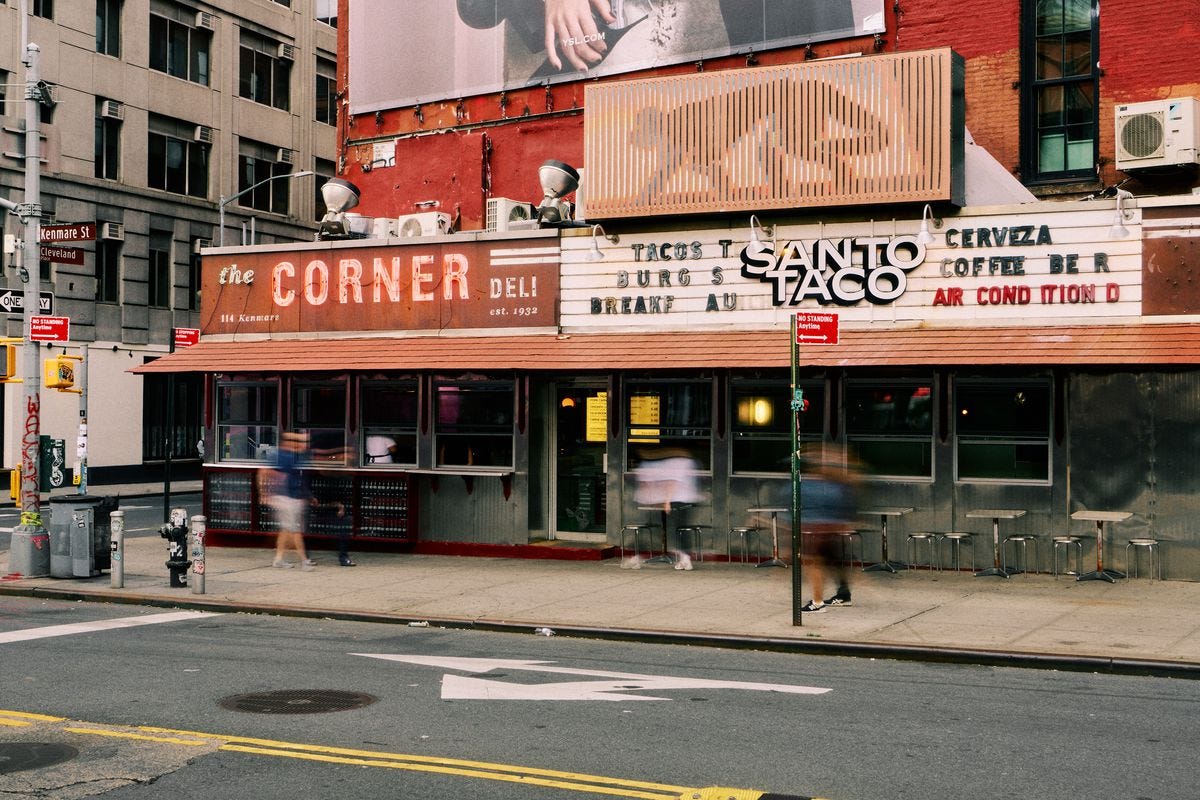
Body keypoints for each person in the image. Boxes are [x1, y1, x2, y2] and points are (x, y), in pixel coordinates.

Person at [797, 444, 859, 613]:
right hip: (831, 528)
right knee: (833, 561)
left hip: (821, 529)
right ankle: (843, 594)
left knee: (815, 562)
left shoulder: (827, 486)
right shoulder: (840, 485)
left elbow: (816, 508)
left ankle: (817, 602)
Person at [631, 446, 704, 570]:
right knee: (679, 528)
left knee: (671, 528)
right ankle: (684, 557)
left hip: (675, 500)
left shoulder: (665, 463)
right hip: (685, 499)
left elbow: (671, 483)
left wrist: (666, 501)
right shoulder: (685, 462)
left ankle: (640, 556)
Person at [260, 431, 317, 570]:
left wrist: (308, 496)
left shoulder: (293, 456)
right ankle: (304, 561)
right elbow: (264, 472)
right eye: (297, 442)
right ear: (289, 443)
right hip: (286, 498)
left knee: (286, 530)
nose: (302, 445)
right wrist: (264, 493)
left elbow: (300, 479)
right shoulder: (283, 457)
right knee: (295, 530)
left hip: (292, 498)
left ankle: (278, 559)